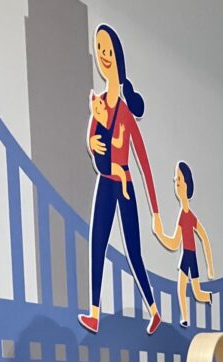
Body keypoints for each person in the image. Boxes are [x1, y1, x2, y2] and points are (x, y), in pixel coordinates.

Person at [79, 24, 162, 336]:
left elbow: (143, 162)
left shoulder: (125, 113)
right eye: (99, 49)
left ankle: (153, 311)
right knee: (97, 243)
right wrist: (91, 143)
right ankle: (95, 313)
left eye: (108, 50)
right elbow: (92, 137)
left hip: (124, 183)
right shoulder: (98, 105)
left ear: (118, 57)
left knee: (134, 250)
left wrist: (155, 211)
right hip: (106, 180)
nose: (103, 56)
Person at [154, 162, 214, 326]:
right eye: (175, 179)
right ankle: (185, 318)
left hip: (191, 255)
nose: (177, 183)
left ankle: (208, 297)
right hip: (187, 255)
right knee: (181, 288)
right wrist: (159, 234)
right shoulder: (183, 214)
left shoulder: (189, 216)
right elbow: (175, 243)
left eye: (179, 179)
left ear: (187, 184)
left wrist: (210, 267)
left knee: (196, 292)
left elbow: (203, 238)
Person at [89, 92, 131, 199]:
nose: (104, 103)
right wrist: (91, 142)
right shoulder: (102, 130)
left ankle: (124, 190)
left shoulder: (103, 129)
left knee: (121, 173)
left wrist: (120, 133)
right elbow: (117, 143)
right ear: (98, 110)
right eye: (101, 103)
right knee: (121, 173)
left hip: (104, 164)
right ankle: (124, 191)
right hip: (105, 166)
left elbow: (116, 143)